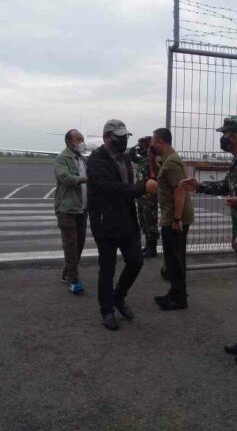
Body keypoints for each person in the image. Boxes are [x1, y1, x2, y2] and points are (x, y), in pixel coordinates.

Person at [180, 116, 237, 366]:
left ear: (234, 136)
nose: (222, 138)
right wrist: (198, 186)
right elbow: (227, 186)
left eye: (225, 133)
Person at [87, 119, 158, 330]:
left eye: (125, 136)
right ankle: (107, 310)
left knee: (136, 261)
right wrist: (143, 188)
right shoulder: (97, 160)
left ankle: (118, 296)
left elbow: (126, 186)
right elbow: (111, 188)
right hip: (105, 222)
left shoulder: (125, 157)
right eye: (119, 137)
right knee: (107, 269)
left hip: (126, 219)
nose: (123, 140)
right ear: (106, 138)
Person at [151, 128, 194, 310]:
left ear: (160, 141)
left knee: (174, 259)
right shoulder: (168, 160)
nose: (151, 145)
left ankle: (178, 298)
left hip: (175, 219)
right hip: (171, 216)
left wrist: (176, 219)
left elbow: (180, 190)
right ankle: (176, 292)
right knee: (173, 258)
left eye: (153, 141)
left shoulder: (172, 163)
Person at [55, 129, 88, 295]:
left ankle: (67, 272)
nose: (82, 142)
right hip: (67, 208)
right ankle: (73, 279)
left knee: (79, 243)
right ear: (69, 142)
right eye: (78, 139)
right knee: (70, 244)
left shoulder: (82, 159)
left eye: (82, 139)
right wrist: (85, 179)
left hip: (82, 208)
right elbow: (65, 178)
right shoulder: (62, 159)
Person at [127, 136, 160, 258]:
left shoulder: (153, 160)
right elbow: (131, 155)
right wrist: (135, 146)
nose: (139, 149)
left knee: (151, 221)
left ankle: (152, 248)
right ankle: (147, 246)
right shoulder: (142, 160)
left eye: (142, 146)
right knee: (143, 221)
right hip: (141, 196)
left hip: (150, 197)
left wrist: (149, 148)